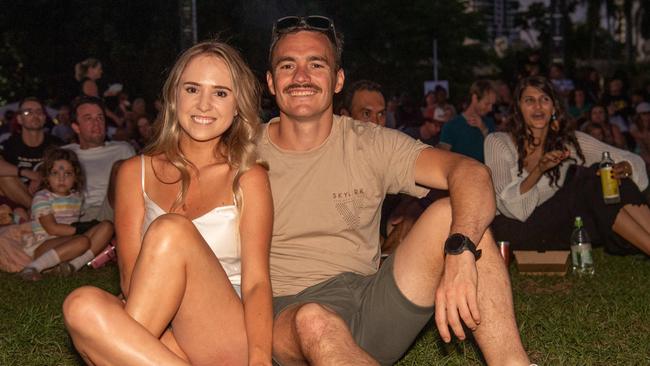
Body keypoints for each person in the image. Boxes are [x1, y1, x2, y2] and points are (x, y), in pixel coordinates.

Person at [261, 15, 529, 365]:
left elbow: (471, 172)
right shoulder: (242, 149)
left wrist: (461, 251)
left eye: (316, 64)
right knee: (313, 319)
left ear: (338, 79)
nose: (301, 77)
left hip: (370, 303)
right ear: (270, 81)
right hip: (287, 314)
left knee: (454, 213)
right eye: (287, 65)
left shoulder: (369, 143)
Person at [63, 40, 273, 365]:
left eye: (220, 92)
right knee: (80, 304)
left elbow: (257, 283)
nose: (204, 104)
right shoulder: (135, 173)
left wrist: (259, 360)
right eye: (192, 89)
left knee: (171, 230)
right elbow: (130, 279)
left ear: (237, 105)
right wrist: (164, 342)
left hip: (223, 332)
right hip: (156, 326)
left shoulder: (249, 177)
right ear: (174, 97)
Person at [485, 76, 650, 256]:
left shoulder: (569, 141)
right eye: (529, 100)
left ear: (554, 107)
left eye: (544, 100)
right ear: (518, 107)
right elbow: (507, 205)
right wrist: (538, 170)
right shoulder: (498, 141)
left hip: (558, 225)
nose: (537, 106)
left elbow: (626, 157)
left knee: (607, 172)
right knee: (589, 179)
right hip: (515, 230)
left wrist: (625, 167)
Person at [18, 148, 113, 281]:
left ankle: (71, 267)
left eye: (68, 173)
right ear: (46, 176)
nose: (61, 178)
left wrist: (91, 228)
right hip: (44, 246)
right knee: (82, 241)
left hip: (72, 244)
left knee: (107, 226)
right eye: (55, 173)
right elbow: (52, 228)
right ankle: (33, 267)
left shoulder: (77, 197)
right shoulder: (42, 197)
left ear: (76, 177)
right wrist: (82, 229)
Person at [63, 96, 135, 222]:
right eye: (88, 118)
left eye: (100, 118)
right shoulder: (66, 153)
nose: (96, 123)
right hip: (81, 213)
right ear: (76, 127)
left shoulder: (122, 149)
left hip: (118, 210)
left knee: (120, 167)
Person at [0, 97, 62, 208]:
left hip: (51, 195)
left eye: (39, 111)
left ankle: (37, 213)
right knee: (4, 177)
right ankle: (37, 212)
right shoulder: (11, 144)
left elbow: (66, 173)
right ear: (19, 119)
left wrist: (41, 179)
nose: (34, 115)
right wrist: (28, 173)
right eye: (28, 112)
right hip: (22, 196)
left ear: (44, 118)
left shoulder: (56, 144)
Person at [438, 80, 496, 162]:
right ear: (475, 98)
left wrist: (483, 128)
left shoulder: (489, 123)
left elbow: (496, 153)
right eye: (487, 104)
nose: (490, 109)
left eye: (492, 105)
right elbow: (442, 158)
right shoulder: (451, 126)